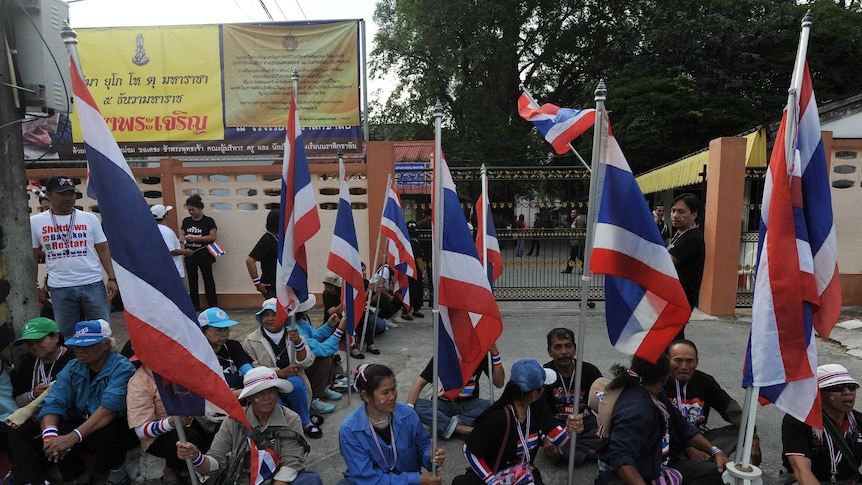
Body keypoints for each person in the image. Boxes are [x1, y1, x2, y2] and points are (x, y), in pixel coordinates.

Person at [8, 319, 138, 485]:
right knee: (56, 431)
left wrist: (73, 437)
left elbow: (108, 409)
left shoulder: (122, 367)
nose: (79, 350)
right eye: (77, 345)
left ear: (105, 345)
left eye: (87, 346)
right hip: (82, 420)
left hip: (115, 424)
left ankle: (118, 472)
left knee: (103, 434)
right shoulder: (73, 366)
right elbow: (54, 400)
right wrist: (50, 438)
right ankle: (77, 476)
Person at [595, 354, 728, 485]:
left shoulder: (657, 395)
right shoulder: (637, 410)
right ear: (665, 378)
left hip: (659, 463)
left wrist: (715, 451)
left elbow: (682, 426)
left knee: (715, 472)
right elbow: (622, 458)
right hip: (632, 474)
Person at [176, 367, 323, 485]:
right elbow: (216, 462)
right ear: (250, 397)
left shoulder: (291, 419)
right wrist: (196, 457)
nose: (266, 398)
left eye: (271, 391)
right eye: (259, 393)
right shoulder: (233, 421)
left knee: (310, 480)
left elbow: (291, 463)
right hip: (241, 479)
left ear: (277, 393)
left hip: (279, 480)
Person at [454, 359, 583, 485]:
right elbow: (469, 450)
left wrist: (570, 430)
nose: (544, 389)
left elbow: (558, 439)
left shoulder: (537, 406)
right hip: (492, 475)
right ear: (534, 394)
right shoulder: (496, 418)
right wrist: (492, 481)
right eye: (542, 386)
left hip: (522, 474)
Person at [31, 175, 119, 337]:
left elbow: (103, 249)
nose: (68, 198)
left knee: (102, 332)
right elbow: (32, 257)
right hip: (60, 287)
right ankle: (73, 362)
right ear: (49, 195)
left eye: (71, 193)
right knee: (67, 335)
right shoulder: (36, 222)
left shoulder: (89, 219)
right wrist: (36, 286)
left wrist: (112, 278)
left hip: (92, 283)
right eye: (62, 194)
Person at [338, 364, 445, 485]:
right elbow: (367, 478)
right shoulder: (350, 430)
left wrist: (430, 455)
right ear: (366, 396)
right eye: (385, 392)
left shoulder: (408, 414)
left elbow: (423, 445)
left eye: (393, 389)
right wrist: (416, 480)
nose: (392, 396)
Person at [664, 339, 761, 467]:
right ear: (668, 361)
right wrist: (688, 447)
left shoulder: (706, 382)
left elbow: (731, 409)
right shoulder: (661, 382)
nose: (684, 366)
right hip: (673, 440)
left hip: (702, 438)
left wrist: (752, 437)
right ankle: (702, 460)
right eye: (678, 360)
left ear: (697, 362)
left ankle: (706, 458)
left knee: (741, 430)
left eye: (689, 361)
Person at [242, 303, 323, 438]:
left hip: (293, 381)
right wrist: (278, 373)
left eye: (275, 315)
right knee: (272, 398)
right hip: (266, 384)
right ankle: (287, 424)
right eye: (266, 315)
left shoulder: (293, 335)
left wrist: (297, 343)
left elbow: (307, 361)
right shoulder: (250, 340)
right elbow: (253, 369)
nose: (270, 319)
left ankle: (305, 421)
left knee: (295, 383)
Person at [782, 364, 862, 484]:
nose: (847, 392)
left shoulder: (858, 421)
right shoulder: (799, 420)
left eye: (851, 387)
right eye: (837, 388)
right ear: (818, 393)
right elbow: (801, 469)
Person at [126, 363, 205, 485]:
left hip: (192, 422)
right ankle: (173, 471)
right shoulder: (139, 381)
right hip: (159, 436)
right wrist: (171, 422)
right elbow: (141, 430)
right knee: (188, 437)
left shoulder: (184, 368)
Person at [406, 343, 505, 439]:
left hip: (469, 405)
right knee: (418, 406)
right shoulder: (443, 354)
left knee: (499, 408)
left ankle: (447, 424)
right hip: (442, 404)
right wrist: (408, 413)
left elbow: (499, 383)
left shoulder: (481, 355)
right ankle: (461, 429)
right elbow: (420, 383)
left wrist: (495, 354)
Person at [541, 328, 606, 465]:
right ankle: (594, 453)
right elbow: (537, 410)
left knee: (612, 437)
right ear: (549, 352)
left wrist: (604, 423)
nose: (564, 351)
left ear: (575, 349)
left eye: (568, 346)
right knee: (552, 445)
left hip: (587, 425)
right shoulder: (544, 375)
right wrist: (544, 438)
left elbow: (604, 402)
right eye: (558, 347)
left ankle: (580, 451)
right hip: (558, 426)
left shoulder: (589, 371)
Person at [11, 317, 74, 408]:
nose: (34, 347)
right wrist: (33, 394)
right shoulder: (27, 364)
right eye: (30, 344)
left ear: (56, 337)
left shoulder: (74, 360)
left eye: (39, 341)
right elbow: (18, 401)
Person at [181, 194, 218, 310]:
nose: (191, 212)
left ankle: (213, 304)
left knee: (208, 279)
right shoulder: (186, 221)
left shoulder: (208, 221)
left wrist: (197, 239)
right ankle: (194, 305)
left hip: (204, 255)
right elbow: (182, 232)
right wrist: (182, 238)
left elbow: (212, 237)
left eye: (193, 209)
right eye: (189, 210)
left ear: (199, 208)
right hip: (190, 255)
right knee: (192, 281)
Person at [668, 193, 705, 312]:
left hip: (681, 298)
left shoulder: (691, 238)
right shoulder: (680, 233)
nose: (675, 215)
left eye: (681, 212)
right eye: (673, 211)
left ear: (694, 214)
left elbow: (666, 261)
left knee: (673, 330)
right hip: (672, 295)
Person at [322, 272, 369, 358]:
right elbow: (332, 312)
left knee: (363, 317)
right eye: (327, 287)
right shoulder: (327, 295)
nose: (328, 289)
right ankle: (352, 347)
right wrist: (344, 302)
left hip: (346, 318)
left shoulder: (343, 292)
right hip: (333, 321)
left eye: (330, 288)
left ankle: (370, 343)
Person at [246, 209, 279, 300]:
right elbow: (250, 260)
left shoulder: (278, 238)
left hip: (279, 283)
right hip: (270, 284)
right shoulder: (267, 240)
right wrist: (257, 283)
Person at [151, 204, 190, 279]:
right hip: (172, 270)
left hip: (160, 269)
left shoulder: (152, 229)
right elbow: (171, 251)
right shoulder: (166, 231)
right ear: (165, 215)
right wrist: (186, 251)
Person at [562, 208, 587, 274]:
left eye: (573, 213)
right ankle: (568, 270)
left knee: (580, 256)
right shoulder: (575, 220)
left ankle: (585, 270)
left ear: (577, 213)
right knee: (572, 257)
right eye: (571, 213)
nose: (572, 214)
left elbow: (579, 231)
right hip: (573, 242)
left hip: (578, 243)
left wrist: (576, 240)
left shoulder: (579, 219)